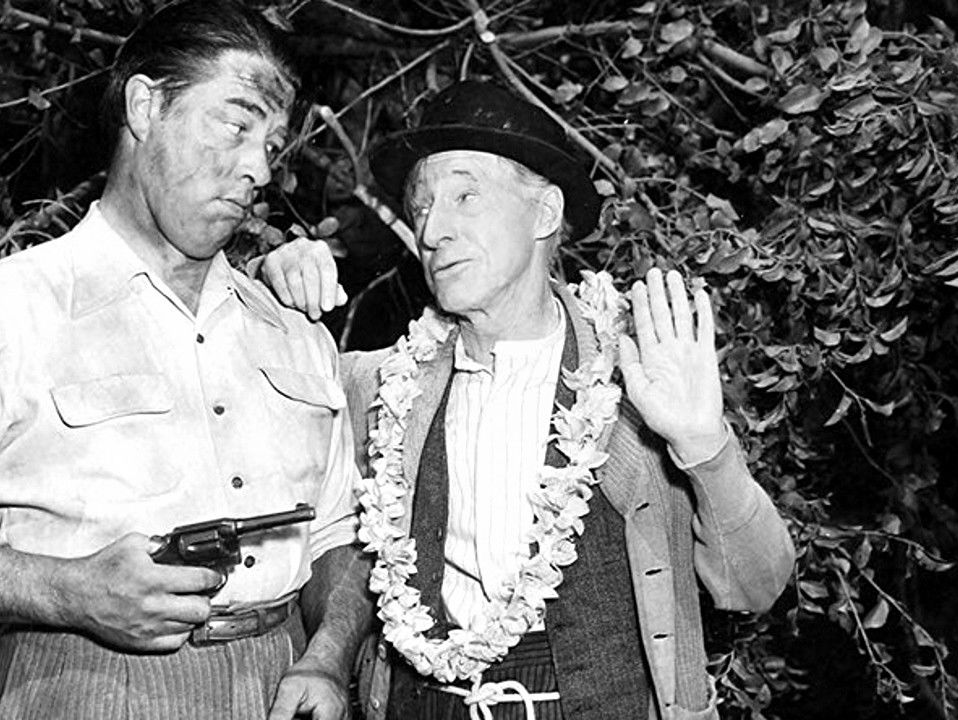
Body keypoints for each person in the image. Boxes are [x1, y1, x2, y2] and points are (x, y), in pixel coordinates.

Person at [0, 2, 373, 718]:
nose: (258, 167)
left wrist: (325, 659)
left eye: (272, 143)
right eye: (237, 123)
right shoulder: (3, 309)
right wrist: (65, 590)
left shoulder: (293, 329)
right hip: (82, 684)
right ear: (145, 105)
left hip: (284, 683)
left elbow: (336, 536)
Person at [258, 80, 795, 720]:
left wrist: (705, 446)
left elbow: (757, 586)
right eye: (422, 206)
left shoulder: (637, 378)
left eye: (465, 195)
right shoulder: (378, 386)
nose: (433, 230)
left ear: (544, 214)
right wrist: (275, 293)